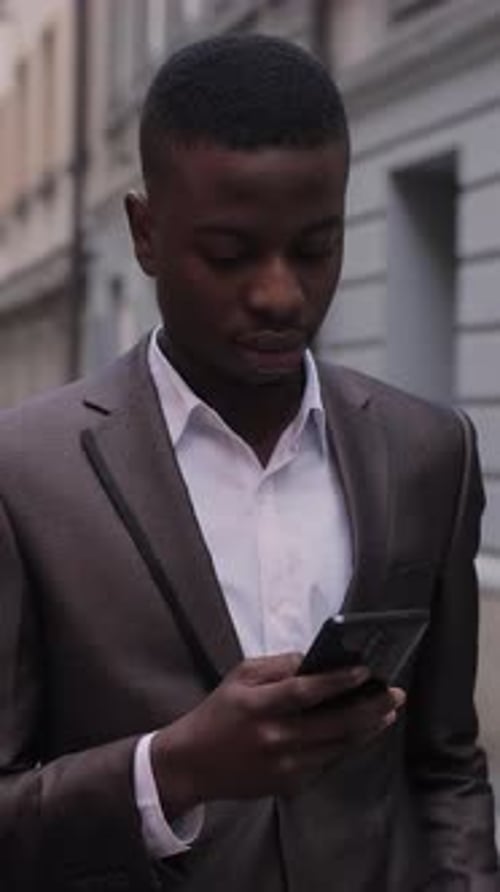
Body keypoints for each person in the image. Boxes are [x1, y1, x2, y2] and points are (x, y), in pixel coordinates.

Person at [0, 34, 498, 892]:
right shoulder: (23, 474)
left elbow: (448, 765)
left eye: (315, 249)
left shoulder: (430, 453)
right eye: (230, 255)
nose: (279, 293)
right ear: (146, 233)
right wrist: (173, 768)